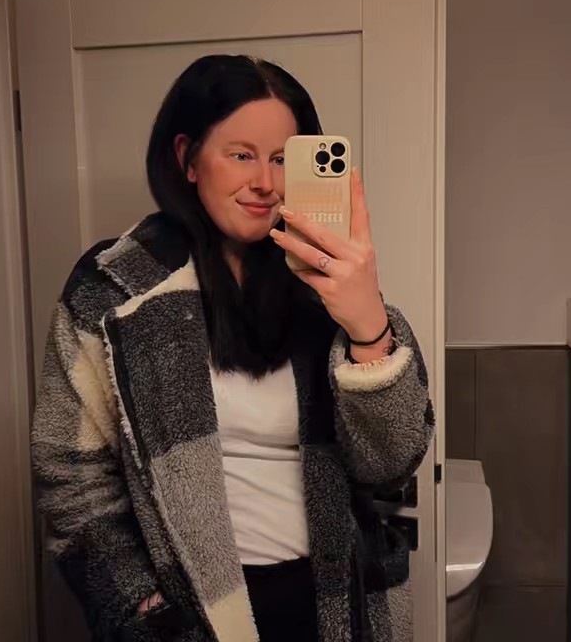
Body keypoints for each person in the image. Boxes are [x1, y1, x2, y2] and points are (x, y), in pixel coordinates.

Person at [32, 55, 434, 642]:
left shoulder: (328, 284)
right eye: (241, 155)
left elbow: (391, 464)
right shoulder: (115, 289)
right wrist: (145, 611)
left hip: (331, 602)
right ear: (188, 159)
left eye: (282, 159)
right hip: (187, 613)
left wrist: (368, 324)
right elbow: (71, 473)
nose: (265, 182)